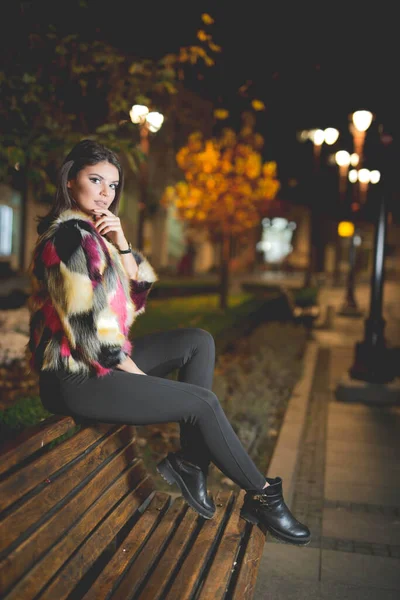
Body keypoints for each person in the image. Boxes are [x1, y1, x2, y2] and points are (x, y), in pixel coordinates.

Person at [27, 139, 310, 546]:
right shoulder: (69, 239)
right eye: (95, 180)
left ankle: (192, 464)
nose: (106, 192)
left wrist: (122, 243)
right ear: (71, 182)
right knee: (201, 403)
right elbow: (90, 334)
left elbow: (137, 297)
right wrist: (139, 376)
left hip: (98, 362)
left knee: (198, 341)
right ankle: (263, 497)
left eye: (113, 184)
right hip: (77, 377)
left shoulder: (95, 234)